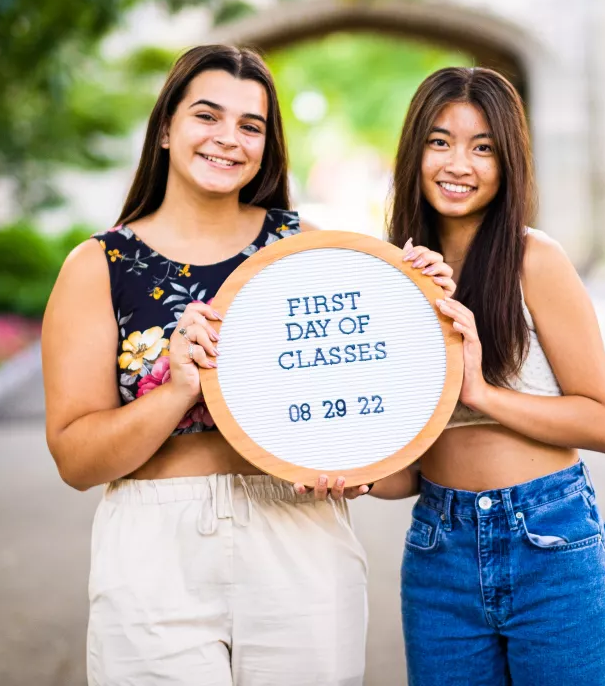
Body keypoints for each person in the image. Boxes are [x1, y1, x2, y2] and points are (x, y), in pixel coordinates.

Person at [41, 44, 453, 686]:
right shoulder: (98, 266)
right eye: (208, 115)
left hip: (300, 533)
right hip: (154, 545)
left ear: (266, 145)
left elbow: (378, 401)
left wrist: (412, 299)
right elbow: (74, 459)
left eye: (251, 125)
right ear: (166, 130)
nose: (228, 139)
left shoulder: (306, 249)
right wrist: (175, 390)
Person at [375, 66, 605, 685]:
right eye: (439, 142)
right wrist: (346, 469)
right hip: (440, 546)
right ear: (415, 153)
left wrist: (482, 392)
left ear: (507, 160)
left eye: (482, 146)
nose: (458, 163)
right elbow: (403, 473)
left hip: (548, 539)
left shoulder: (533, 259)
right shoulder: (388, 276)